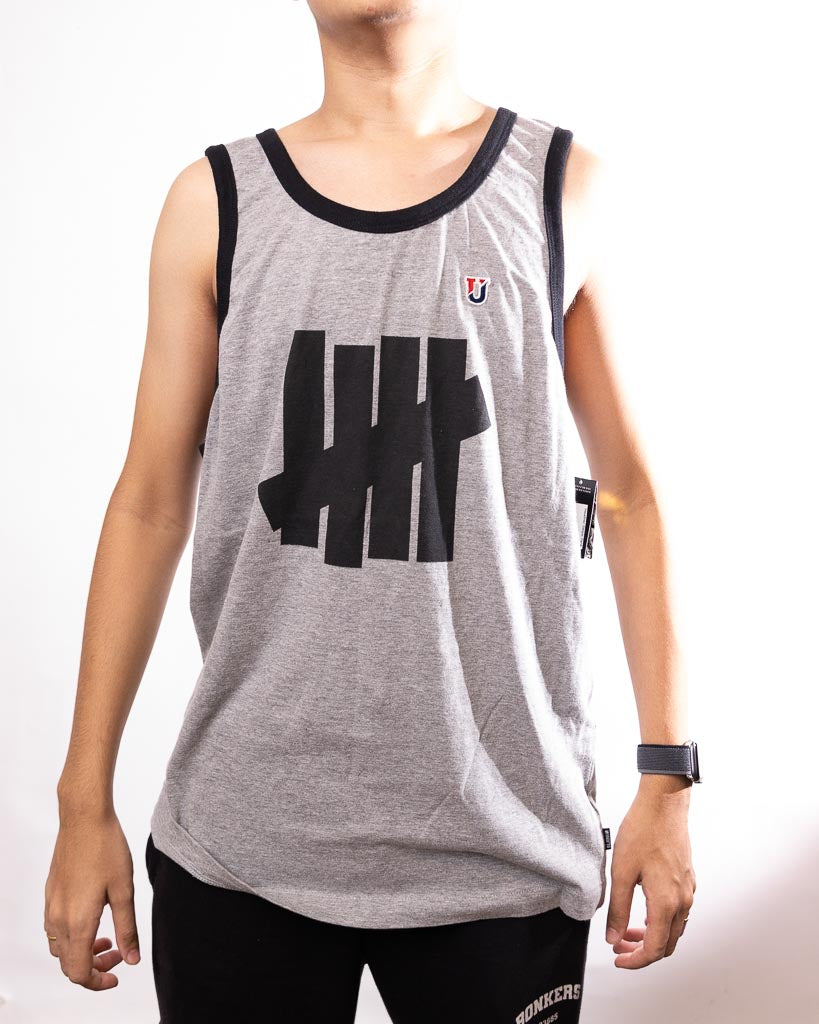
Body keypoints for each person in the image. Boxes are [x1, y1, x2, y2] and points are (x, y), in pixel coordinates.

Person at [44, 0, 697, 1019]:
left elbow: (632, 494)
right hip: (242, 844)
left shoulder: (564, 188)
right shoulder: (214, 201)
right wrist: (82, 799)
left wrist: (667, 776)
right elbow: (150, 502)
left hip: (504, 848)